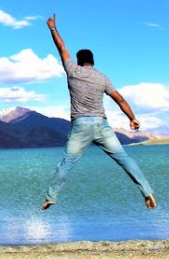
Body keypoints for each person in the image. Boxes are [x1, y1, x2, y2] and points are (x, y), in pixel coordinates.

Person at [41, 14, 157, 210]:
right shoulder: (102, 78)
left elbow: (62, 48)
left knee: (67, 164)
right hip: (102, 125)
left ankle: (51, 197)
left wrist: (52, 28)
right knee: (124, 159)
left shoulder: (73, 71)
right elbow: (120, 99)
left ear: (78, 61)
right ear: (93, 61)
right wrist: (132, 118)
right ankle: (147, 192)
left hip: (80, 126)